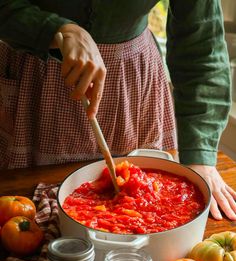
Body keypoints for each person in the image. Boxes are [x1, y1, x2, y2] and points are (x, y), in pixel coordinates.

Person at [0, 0, 235, 221]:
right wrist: (54, 29)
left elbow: (201, 47)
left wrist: (200, 157)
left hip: (134, 90)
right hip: (33, 83)